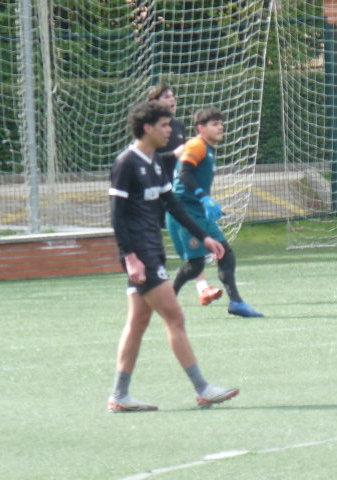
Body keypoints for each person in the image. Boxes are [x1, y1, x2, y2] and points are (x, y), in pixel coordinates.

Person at [107, 100, 239, 412]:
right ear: (147, 128)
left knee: (138, 323)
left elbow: (174, 206)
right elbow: (116, 215)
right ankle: (203, 388)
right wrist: (130, 256)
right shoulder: (127, 163)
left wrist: (205, 236)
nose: (171, 130)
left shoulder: (155, 162)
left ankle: (119, 396)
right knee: (175, 317)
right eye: (165, 125)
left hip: (152, 249)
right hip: (141, 254)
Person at [166, 106, 264, 318]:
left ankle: (236, 302)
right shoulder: (196, 145)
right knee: (197, 264)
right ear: (201, 128)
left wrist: (204, 202)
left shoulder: (207, 148)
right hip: (184, 211)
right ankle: (168, 299)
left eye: (221, 123)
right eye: (215, 124)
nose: (221, 127)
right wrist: (202, 196)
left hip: (196, 211)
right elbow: (184, 173)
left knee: (223, 254)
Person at [147, 83, 223, 307]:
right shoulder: (148, 128)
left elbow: (184, 161)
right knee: (151, 242)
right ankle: (151, 285)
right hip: (152, 192)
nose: (172, 99)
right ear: (154, 102)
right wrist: (173, 153)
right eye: (166, 96)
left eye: (173, 96)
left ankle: (202, 288)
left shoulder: (178, 126)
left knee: (193, 239)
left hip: (174, 194)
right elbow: (146, 159)